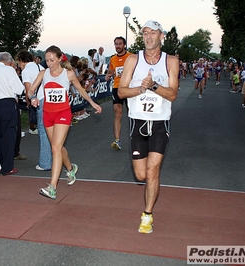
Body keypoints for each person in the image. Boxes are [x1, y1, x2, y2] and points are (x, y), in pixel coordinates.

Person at [118, 20, 179, 234]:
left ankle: (147, 215)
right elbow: (121, 92)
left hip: (160, 123)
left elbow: (172, 94)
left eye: (153, 32)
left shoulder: (170, 61)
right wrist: (140, 89)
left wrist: (153, 85)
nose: (149, 36)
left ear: (161, 36)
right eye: (145, 32)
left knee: (153, 171)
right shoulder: (133, 60)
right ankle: (150, 195)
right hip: (138, 122)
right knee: (141, 175)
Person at [28, 45, 102, 200]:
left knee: (55, 148)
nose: (49, 63)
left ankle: (52, 188)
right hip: (48, 114)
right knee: (58, 148)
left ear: (60, 58)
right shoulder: (43, 73)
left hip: (63, 113)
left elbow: (81, 90)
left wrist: (92, 103)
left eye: (52, 60)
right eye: (47, 60)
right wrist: (33, 97)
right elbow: (30, 90)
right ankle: (71, 168)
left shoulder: (68, 74)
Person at [16, 50, 51, 171]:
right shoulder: (40, 66)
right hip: (50, 98)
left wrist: (29, 101)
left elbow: (28, 89)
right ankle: (52, 159)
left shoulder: (26, 71)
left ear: (21, 60)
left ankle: (45, 162)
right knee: (50, 130)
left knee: (43, 130)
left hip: (40, 99)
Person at [105, 36, 131, 150]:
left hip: (130, 87)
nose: (118, 46)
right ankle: (117, 140)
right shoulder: (112, 59)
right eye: (116, 44)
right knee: (118, 113)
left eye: (120, 44)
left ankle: (136, 137)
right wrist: (108, 75)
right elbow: (111, 70)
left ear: (124, 45)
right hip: (117, 88)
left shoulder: (131, 57)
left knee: (132, 113)